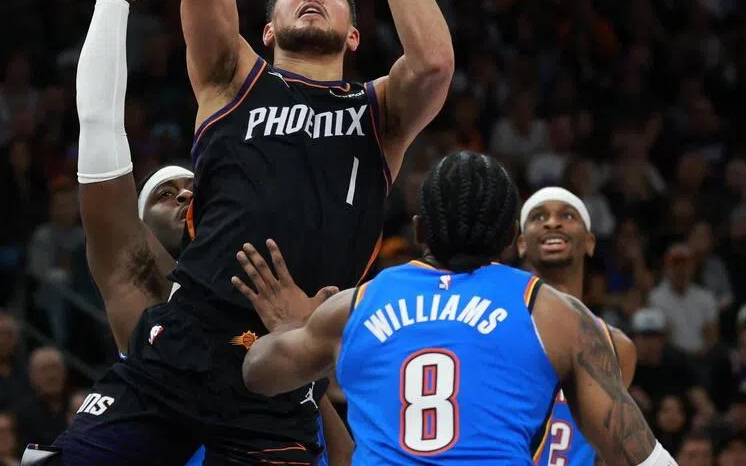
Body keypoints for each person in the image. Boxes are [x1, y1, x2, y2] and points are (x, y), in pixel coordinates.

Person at [42, 0, 352, 465]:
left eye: (192, 186)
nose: (186, 195)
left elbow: (343, 451)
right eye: (164, 194)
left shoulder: (277, 313)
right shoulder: (132, 281)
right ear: (138, 224)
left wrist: (307, 350)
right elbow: (97, 122)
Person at [237, 151, 677, 466]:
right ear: (511, 237)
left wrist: (292, 327)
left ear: (420, 229)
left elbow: (257, 374)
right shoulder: (551, 312)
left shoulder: (357, 304)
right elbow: (635, 451)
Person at [516, 187, 637, 465]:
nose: (552, 223)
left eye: (567, 215)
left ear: (590, 242)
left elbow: (607, 449)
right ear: (521, 243)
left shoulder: (618, 346)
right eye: (538, 217)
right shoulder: (496, 325)